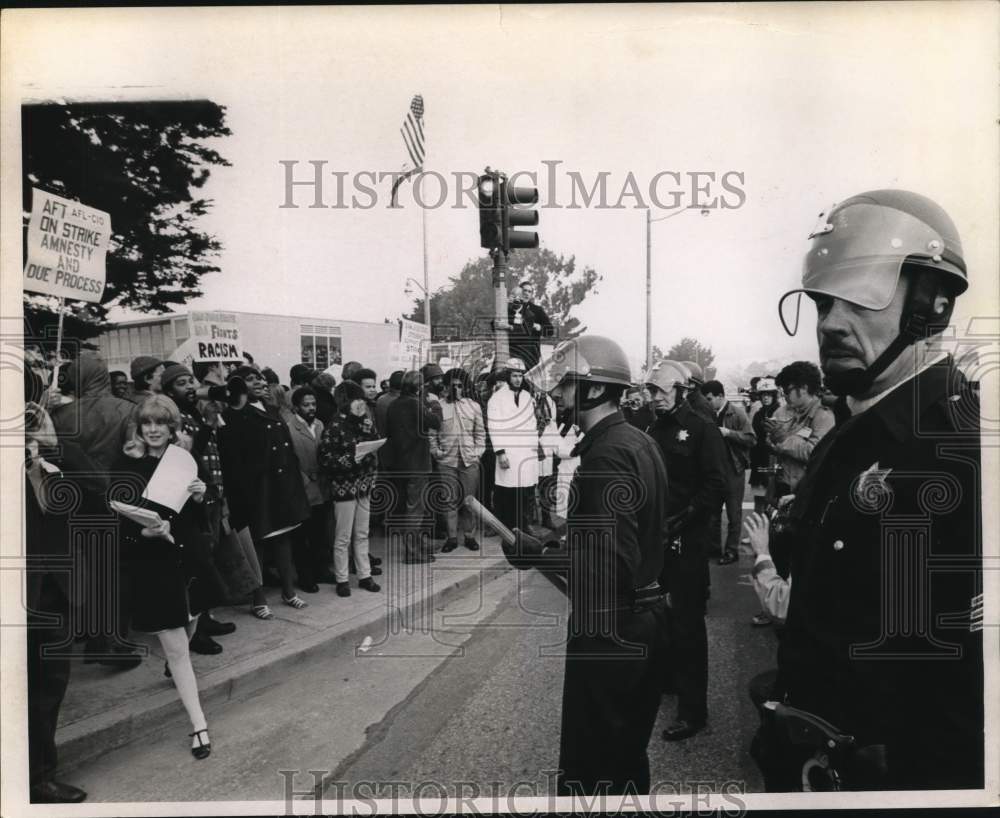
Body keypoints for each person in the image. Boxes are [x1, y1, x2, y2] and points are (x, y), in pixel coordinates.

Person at [755, 189, 984, 791]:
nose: (830, 321)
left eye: (859, 296)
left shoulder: (963, 449)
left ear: (930, 307)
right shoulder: (852, 433)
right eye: (824, 301)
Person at [505, 335, 668, 795]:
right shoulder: (635, 440)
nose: (556, 394)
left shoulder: (605, 457)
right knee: (625, 755)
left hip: (612, 629)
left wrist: (538, 555)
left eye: (567, 385)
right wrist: (552, 544)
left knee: (593, 765)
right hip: (642, 621)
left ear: (594, 390)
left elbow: (606, 569)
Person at [108, 395, 224, 760]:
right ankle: (199, 725)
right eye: (147, 424)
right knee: (176, 648)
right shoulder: (125, 465)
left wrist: (203, 494)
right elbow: (115, 521)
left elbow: (206, 506)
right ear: (138, 428)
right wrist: (141, 534)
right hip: (152, 565)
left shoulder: (182, 459)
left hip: (189, 560)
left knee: (189, 626)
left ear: (172, 427)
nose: (154, 430)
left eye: (161, 423)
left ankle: (175, 666)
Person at [24, 371, 99, 803]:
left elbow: (97, 489)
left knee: (48, 687)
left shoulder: (53, 448)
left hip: (54, 589)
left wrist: (53, 446)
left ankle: (39, 776)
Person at [644, 359, 727, 741]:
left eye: (660, 391)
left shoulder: (701, 430)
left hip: (686, 541)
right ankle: (670, 681)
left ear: (681, 389)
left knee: (688, 625)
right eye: (651, 390)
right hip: (656, 541)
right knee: (660, 618)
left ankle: (694, 712)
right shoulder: (652, 427)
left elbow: (715, 486)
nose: (653, 397)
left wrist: (680, 521)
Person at [50, 352, 141, 668]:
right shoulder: (128, 410)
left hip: (74, 501)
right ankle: (111, 643)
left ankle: (91, 632)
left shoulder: (59, 415)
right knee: (118, 571)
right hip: (116, 499)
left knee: (88, 569)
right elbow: (136, 457)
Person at [218, 365, 312, 617]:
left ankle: (289, 591)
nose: (258, 382)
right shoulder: (233, 415)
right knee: (256, 545)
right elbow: (233, 460)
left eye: (258, 377)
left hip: (281, 487)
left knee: (283, 539)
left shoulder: (271, 409)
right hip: (256, 491)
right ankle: (258, 598)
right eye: (249, 379)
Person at [161, 363, 236, 655]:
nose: (190, 387)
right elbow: (191, 453)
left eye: (190, 381)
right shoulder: (174, 417)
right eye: (181, 383)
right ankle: (195, 633)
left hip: (211, 492)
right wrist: (206, 424)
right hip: (191, 498)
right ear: (169, 391)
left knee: (210, 557)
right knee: (196, 564)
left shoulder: (196, 411)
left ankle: (206, 618)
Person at [319, 380, 382, 595]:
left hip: (364, 484)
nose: (360, 403)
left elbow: (374, 444)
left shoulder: (365, 421)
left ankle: (365, 575)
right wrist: (351, 458)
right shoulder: (335, 426)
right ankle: (342, 578)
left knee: (362, 533)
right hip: (344, 487)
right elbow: (326, 458)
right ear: (345, 403)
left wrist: (369, 443)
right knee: (343, 535)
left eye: (361, 399)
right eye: (356, 400)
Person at [382, 370, 442, 563]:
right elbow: (435, 422)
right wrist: (433, 403)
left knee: (408, 508)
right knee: (415, 509)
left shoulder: (394, 405)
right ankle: (412, 552)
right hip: (417, 463)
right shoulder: (416, 403)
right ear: (418, 387)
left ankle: (416, 546)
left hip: (400, 463)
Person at [286, 386, 337, 592]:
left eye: (313, 404)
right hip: (304, 487)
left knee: (321, 531)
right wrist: (304, 479)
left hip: (322, 485)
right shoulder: (289, 428)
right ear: (296, 407)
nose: (311, 408)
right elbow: (290, 460)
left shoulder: (320, 424)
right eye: (306, 405)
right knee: (303, 535)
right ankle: (305, 576)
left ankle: (321, 569)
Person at [432, 368, 486, 552]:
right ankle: (452, 538)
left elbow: (480, 433)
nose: (456, 389)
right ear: (446, 386)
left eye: (460, 386)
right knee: (449, 500)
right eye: (452, 385)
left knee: (469, 501)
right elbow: (432, 434)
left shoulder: (473, 406)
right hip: (447, 462)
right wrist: (437, 452)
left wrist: (478, 453)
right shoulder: (437, 406)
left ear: (465, 387)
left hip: (469, 461)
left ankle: (469, 536)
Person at [701, 379, 755, 565]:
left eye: (709, 398)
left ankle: (732, 551)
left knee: (734, 514)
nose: (707, 402)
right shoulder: (706, 414)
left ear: (720, 397)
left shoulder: (737, 414)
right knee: (713, 513)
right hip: (714, 471)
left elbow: (751, 438)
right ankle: (714, 549)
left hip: (733, 470)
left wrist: (729, 433)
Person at [765, 361, 834, 494]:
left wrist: (782, 437)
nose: (785, 396)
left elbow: (815, 453)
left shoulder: (823, 415)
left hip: (807, 491)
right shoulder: (795, 412)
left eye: (787, 390)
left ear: (803, 388)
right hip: (786, 485)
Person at [487, 357, 538, 533]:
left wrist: (534, 448)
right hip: (508, 452)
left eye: (520, 376)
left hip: (525, 452)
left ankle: (523, 526)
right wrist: (500, 453)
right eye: (515, 375)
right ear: (508, 376)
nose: (518, 379)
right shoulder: (497, 398)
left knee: (525, 490)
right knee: (507, 492)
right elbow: (494, 426)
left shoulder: (526, 397)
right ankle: (507, 528)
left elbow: (532, 424)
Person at [507, 278, 554, 370]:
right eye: (524, 290)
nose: (527, 293)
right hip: (513, 352)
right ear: (519, 291)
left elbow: (550, 330)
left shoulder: (537, 310)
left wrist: (539, 327)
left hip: (530, 354)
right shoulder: (510, 307)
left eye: (530, 291)